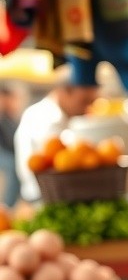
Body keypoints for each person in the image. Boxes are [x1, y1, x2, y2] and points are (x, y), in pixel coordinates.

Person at [14, 73, 99, 203]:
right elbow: (58, 164)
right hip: (43, 199)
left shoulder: (63, 119)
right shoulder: (45, 119)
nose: (87, 108)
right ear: (64, 92)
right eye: (84, 101)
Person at [0, 81, 27, 208]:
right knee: (12, 165)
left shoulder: (10, 118)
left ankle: (14, 202)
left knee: (18, 164)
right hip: (3, 152)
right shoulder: (2, 117)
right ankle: (7, 205)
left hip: (8, 151)